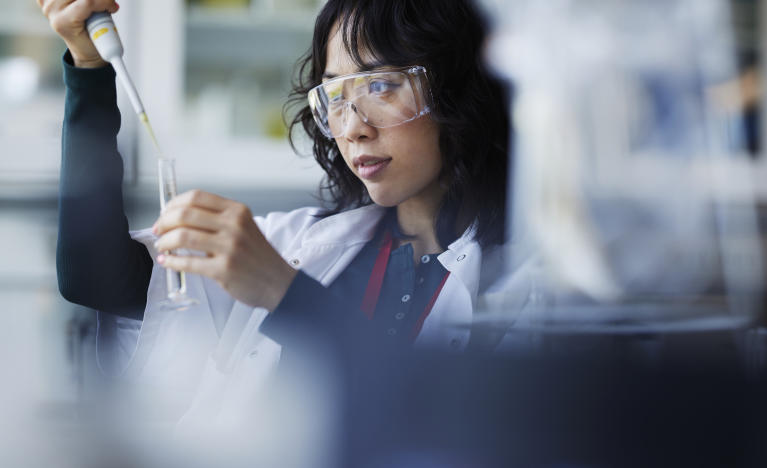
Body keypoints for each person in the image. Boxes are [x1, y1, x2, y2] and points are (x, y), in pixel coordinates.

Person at [41, 0, 527, 421]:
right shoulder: (293, 245)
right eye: (336, 93)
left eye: (380, 85)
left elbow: (434, 417)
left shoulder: (528, 287)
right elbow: (92, 275)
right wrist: (89, 69)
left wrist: (284, 292)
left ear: (460, 89)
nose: (353, 127)